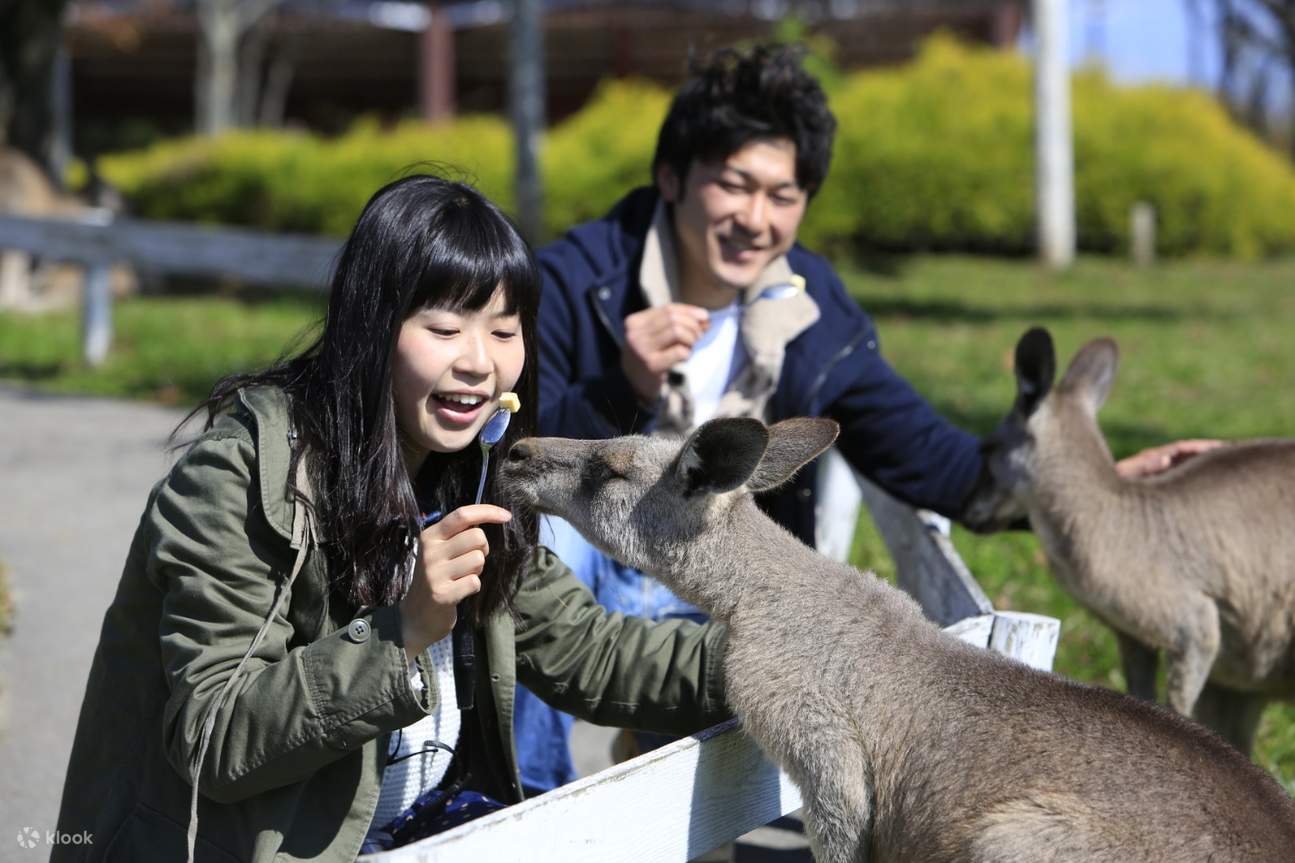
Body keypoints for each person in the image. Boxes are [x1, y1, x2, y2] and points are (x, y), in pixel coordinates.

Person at [514, 42, 1220, 795]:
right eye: (733, 185)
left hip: (714, 593)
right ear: (671, 177)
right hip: (590, 574)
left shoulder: (811, 308)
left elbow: (928, 456)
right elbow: (512, 446)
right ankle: (524, 797)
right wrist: (619, 382)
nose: (755, 218)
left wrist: (1085, 486)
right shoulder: (576, 279)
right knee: (539, 527)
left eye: (783, 195)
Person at [52, 175, 729, 863]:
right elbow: (215, 738)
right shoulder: (238, 478)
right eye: (444, 329)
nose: (480, 363)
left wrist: (773, 659)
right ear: (372, 328)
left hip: (429, 832)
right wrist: (399, 630)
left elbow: (590, 651)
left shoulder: (470, 469)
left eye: (504, 331)